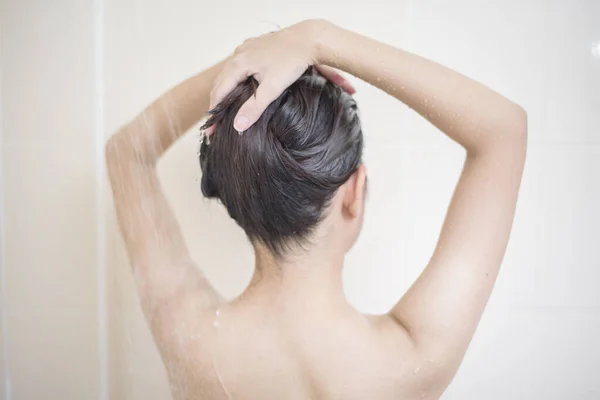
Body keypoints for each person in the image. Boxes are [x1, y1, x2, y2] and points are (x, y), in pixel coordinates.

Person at [105, 19, 527, 400]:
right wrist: (315, 39)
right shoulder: (413, 357)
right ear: (354, 192)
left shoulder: (190, 341)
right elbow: (504, 130)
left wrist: (244, 67)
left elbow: (127, 151)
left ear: (242, 199)